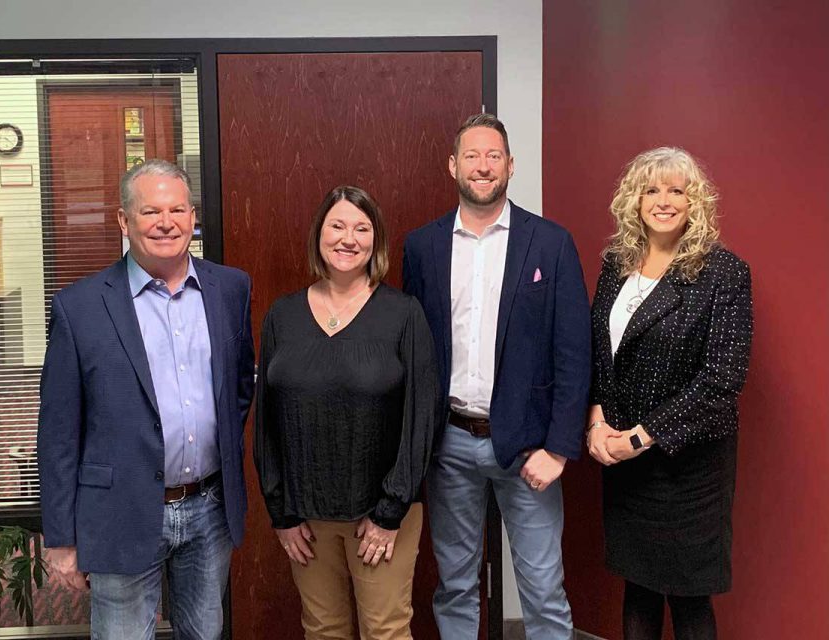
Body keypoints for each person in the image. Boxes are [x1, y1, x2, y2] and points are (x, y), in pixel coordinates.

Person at [37, 159, 255, 640]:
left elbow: (239, 389)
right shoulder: (80, 308)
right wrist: (61, 538)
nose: (166, 222)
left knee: (205, 633)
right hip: (122, 509)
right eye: (150, 211)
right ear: (124, 221)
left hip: (208, 508)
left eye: (177, 209)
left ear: (193, 217)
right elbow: (57, 433)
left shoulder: (230, 289)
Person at [403, 113, 591, 639]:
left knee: (543, 588)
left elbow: (574, 353)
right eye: (472, 156)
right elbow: (415, 352)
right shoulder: (423, 246)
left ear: (510, 165)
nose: (482, 167)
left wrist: (557, 448)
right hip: (450, 446)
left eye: (493, 156)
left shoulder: (550, 243)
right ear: (452, 166)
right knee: (456, 586)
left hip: (529, 448)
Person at [254, 185, 439, 640]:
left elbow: (422, 417)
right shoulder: (283, 316)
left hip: (381, 514)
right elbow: (267, 424)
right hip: (307, 517)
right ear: (319, 233)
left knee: (385, 630)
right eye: (337, 225)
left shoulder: (403, 314)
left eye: (362, 228)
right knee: (322, 629)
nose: (348, 238)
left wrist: (390, 511)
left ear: (376, 241)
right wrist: (281, 513)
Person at [586, 147, 753, 640]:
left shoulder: (723, 272)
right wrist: (597, 422)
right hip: (624, 461)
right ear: (633, 201)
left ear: (694, 201)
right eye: (652, 189)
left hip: (687, 468)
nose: (664, 200)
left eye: (676, 190)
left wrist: (639, 437)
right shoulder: (615, 264)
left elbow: (722, 380)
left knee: (687, 595)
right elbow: (597, 351)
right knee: (637, 586)